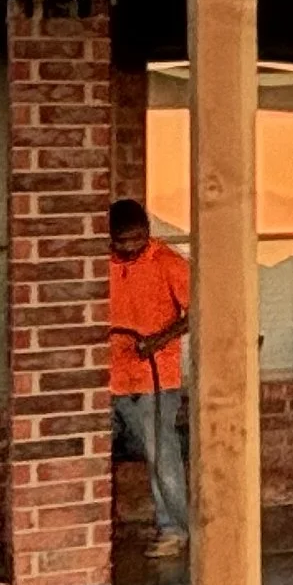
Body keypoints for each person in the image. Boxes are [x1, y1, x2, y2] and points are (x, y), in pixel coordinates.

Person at [108, 198, 190, 553]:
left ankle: (174, 528)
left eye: (136, 239)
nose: (129, 247)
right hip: (109, 378)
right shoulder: (101, 264)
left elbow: (199, 308)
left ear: (148, 233)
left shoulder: (167, 262)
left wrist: (157, 341)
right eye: (122, 241)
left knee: (161, 454)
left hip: (155, 380)